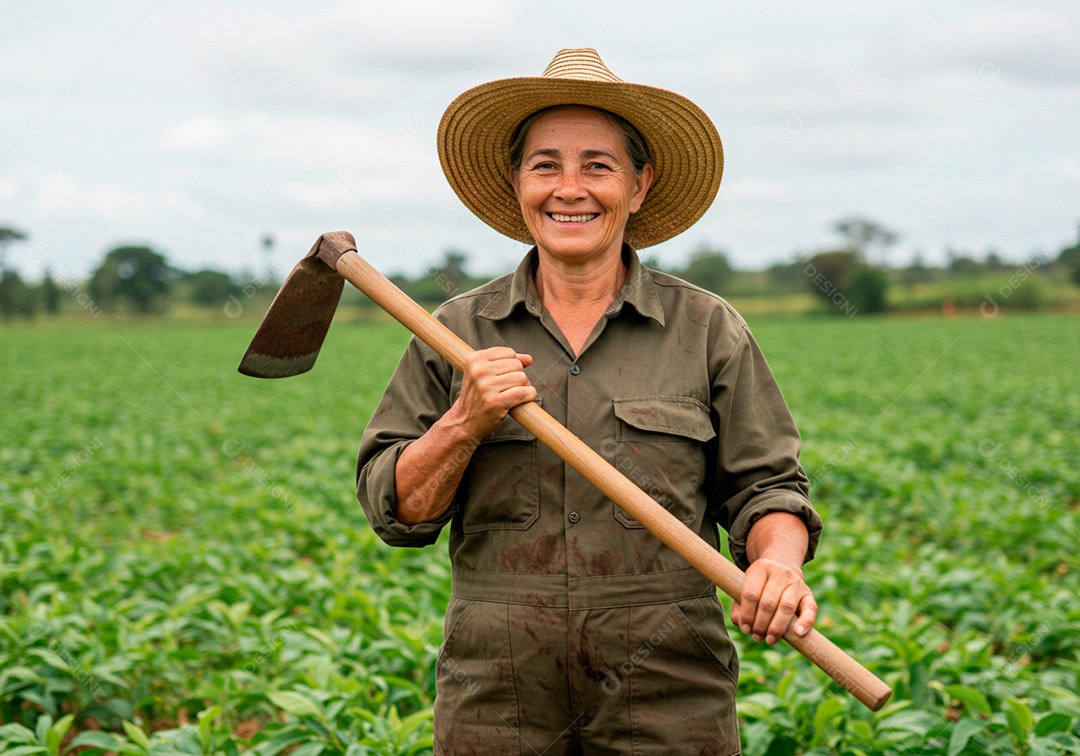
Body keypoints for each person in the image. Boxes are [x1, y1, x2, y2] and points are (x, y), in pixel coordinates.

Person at [357, 48, 823, 755]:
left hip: (668, 686)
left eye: (597, 166)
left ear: (639, 186)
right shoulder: (453, 334)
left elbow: (769, 489)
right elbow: (399, 514)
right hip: (498, 689)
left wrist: (777, 564)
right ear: (517, 184)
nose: (568, 188)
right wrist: (463, 423)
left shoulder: (706, 329)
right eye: (545, 165)